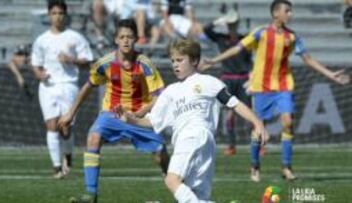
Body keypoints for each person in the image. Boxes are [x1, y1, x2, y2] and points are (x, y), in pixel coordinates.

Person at [199, 0, 350, 182]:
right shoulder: (260, 33)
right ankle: (255, 165)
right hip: (262, 87)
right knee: (259, 127)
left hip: (284, 86)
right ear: (276, 13)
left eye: (291, 11)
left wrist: (331, 75)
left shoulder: (292, 37)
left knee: (287, 122)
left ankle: (286, 167)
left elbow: (308, 59)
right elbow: (236, 49)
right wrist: (213, 61)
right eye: (287, 11)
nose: (290, 14)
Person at [114, 38, 269, 203]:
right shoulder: (170, 92)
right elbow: (152, 122)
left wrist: (258, 124)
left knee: (172, 180)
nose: (175, 64)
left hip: (194, 135)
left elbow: (235, 103)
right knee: (196, 196)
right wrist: (130, 119)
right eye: (173, 60)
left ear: (195, 60)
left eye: (180, 60)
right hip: (198, 142)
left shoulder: (208, 82)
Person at [58, 19, 170, 203]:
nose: (126, 41)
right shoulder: (105, 63)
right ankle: (90, 194)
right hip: (112, 114)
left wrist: (141, 112)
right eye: (122, 37)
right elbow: (88, 86)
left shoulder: (145, 64)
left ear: (136, 39)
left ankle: (172, 178)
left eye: (130, 37)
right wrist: (71, 113)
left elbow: (160, 95)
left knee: (160, 152)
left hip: (138, 116)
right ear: (116, 40)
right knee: (93, 137)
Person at [31, 0, 93, 179]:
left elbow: (87, 60)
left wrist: (71, 60)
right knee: (51, 125)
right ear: (49, 15)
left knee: (65, 128)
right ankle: (57, 167)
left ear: (65, 15)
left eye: (60, 13)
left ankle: (68, 155)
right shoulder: (41, 40)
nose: (57, 17)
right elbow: (35, 64)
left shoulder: (75, 37)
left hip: (69, 85)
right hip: (48, 87)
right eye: (54, 13)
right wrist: (39, 75)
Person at [203, 8, 253, 156]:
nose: (232, 26)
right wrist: (219, 20)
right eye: (230, 24)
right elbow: (206, 30)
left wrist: (251, 75)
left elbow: (251, 58)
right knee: (229, 115)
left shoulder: (245, 39)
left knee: (249, 114)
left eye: (234, 24)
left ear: (237, 24)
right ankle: (231, 145)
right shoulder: (221, 38)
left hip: (243, 78)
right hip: (228, 79)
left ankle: (258, 143)